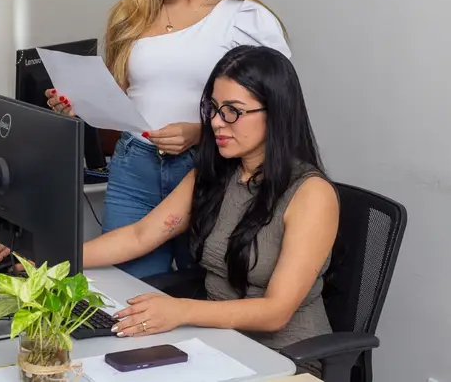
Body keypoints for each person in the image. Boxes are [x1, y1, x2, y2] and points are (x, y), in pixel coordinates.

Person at [47, 0, 291, 279]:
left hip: (209, 169)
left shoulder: (245, 18)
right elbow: (127, 100)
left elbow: (280, 112)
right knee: (125, 291)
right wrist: (81, 103)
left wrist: (200, 133)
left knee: (209, 287)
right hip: (134, 166)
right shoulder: (133, 15)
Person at [84, 46, 339, 375]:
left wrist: (181, 311)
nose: (217, 123)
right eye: (214, 109)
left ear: (276, 113)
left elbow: (275, 312)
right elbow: (139, 235)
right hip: (218, 344)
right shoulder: (214, 173)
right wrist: (50, 257)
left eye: (233, 112)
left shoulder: (311, 194)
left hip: (286, 360)